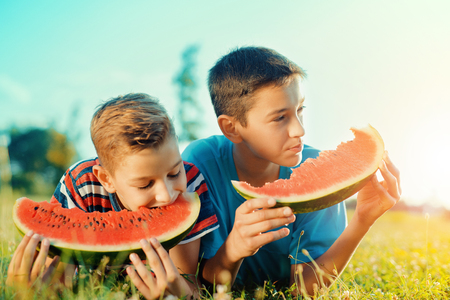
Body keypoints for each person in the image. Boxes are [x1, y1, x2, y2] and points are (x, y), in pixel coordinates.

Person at [181, 46, 401, 295]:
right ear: (231, 128)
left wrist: (362, 220)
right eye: (279, 118)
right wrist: (232, 251)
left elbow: (303, 291)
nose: (299, 130)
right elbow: (202, 285)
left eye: (300, 110)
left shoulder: (320, 172)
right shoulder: (199, 164)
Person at [7, 93, 219, 299]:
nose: (167, 195)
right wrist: (30, 290)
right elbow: (60, 282)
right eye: (145, 185)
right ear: (106, 179)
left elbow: (186, 280)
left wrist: (178, 295)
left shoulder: (190, 183)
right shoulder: (81, 185)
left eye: (174, 173)